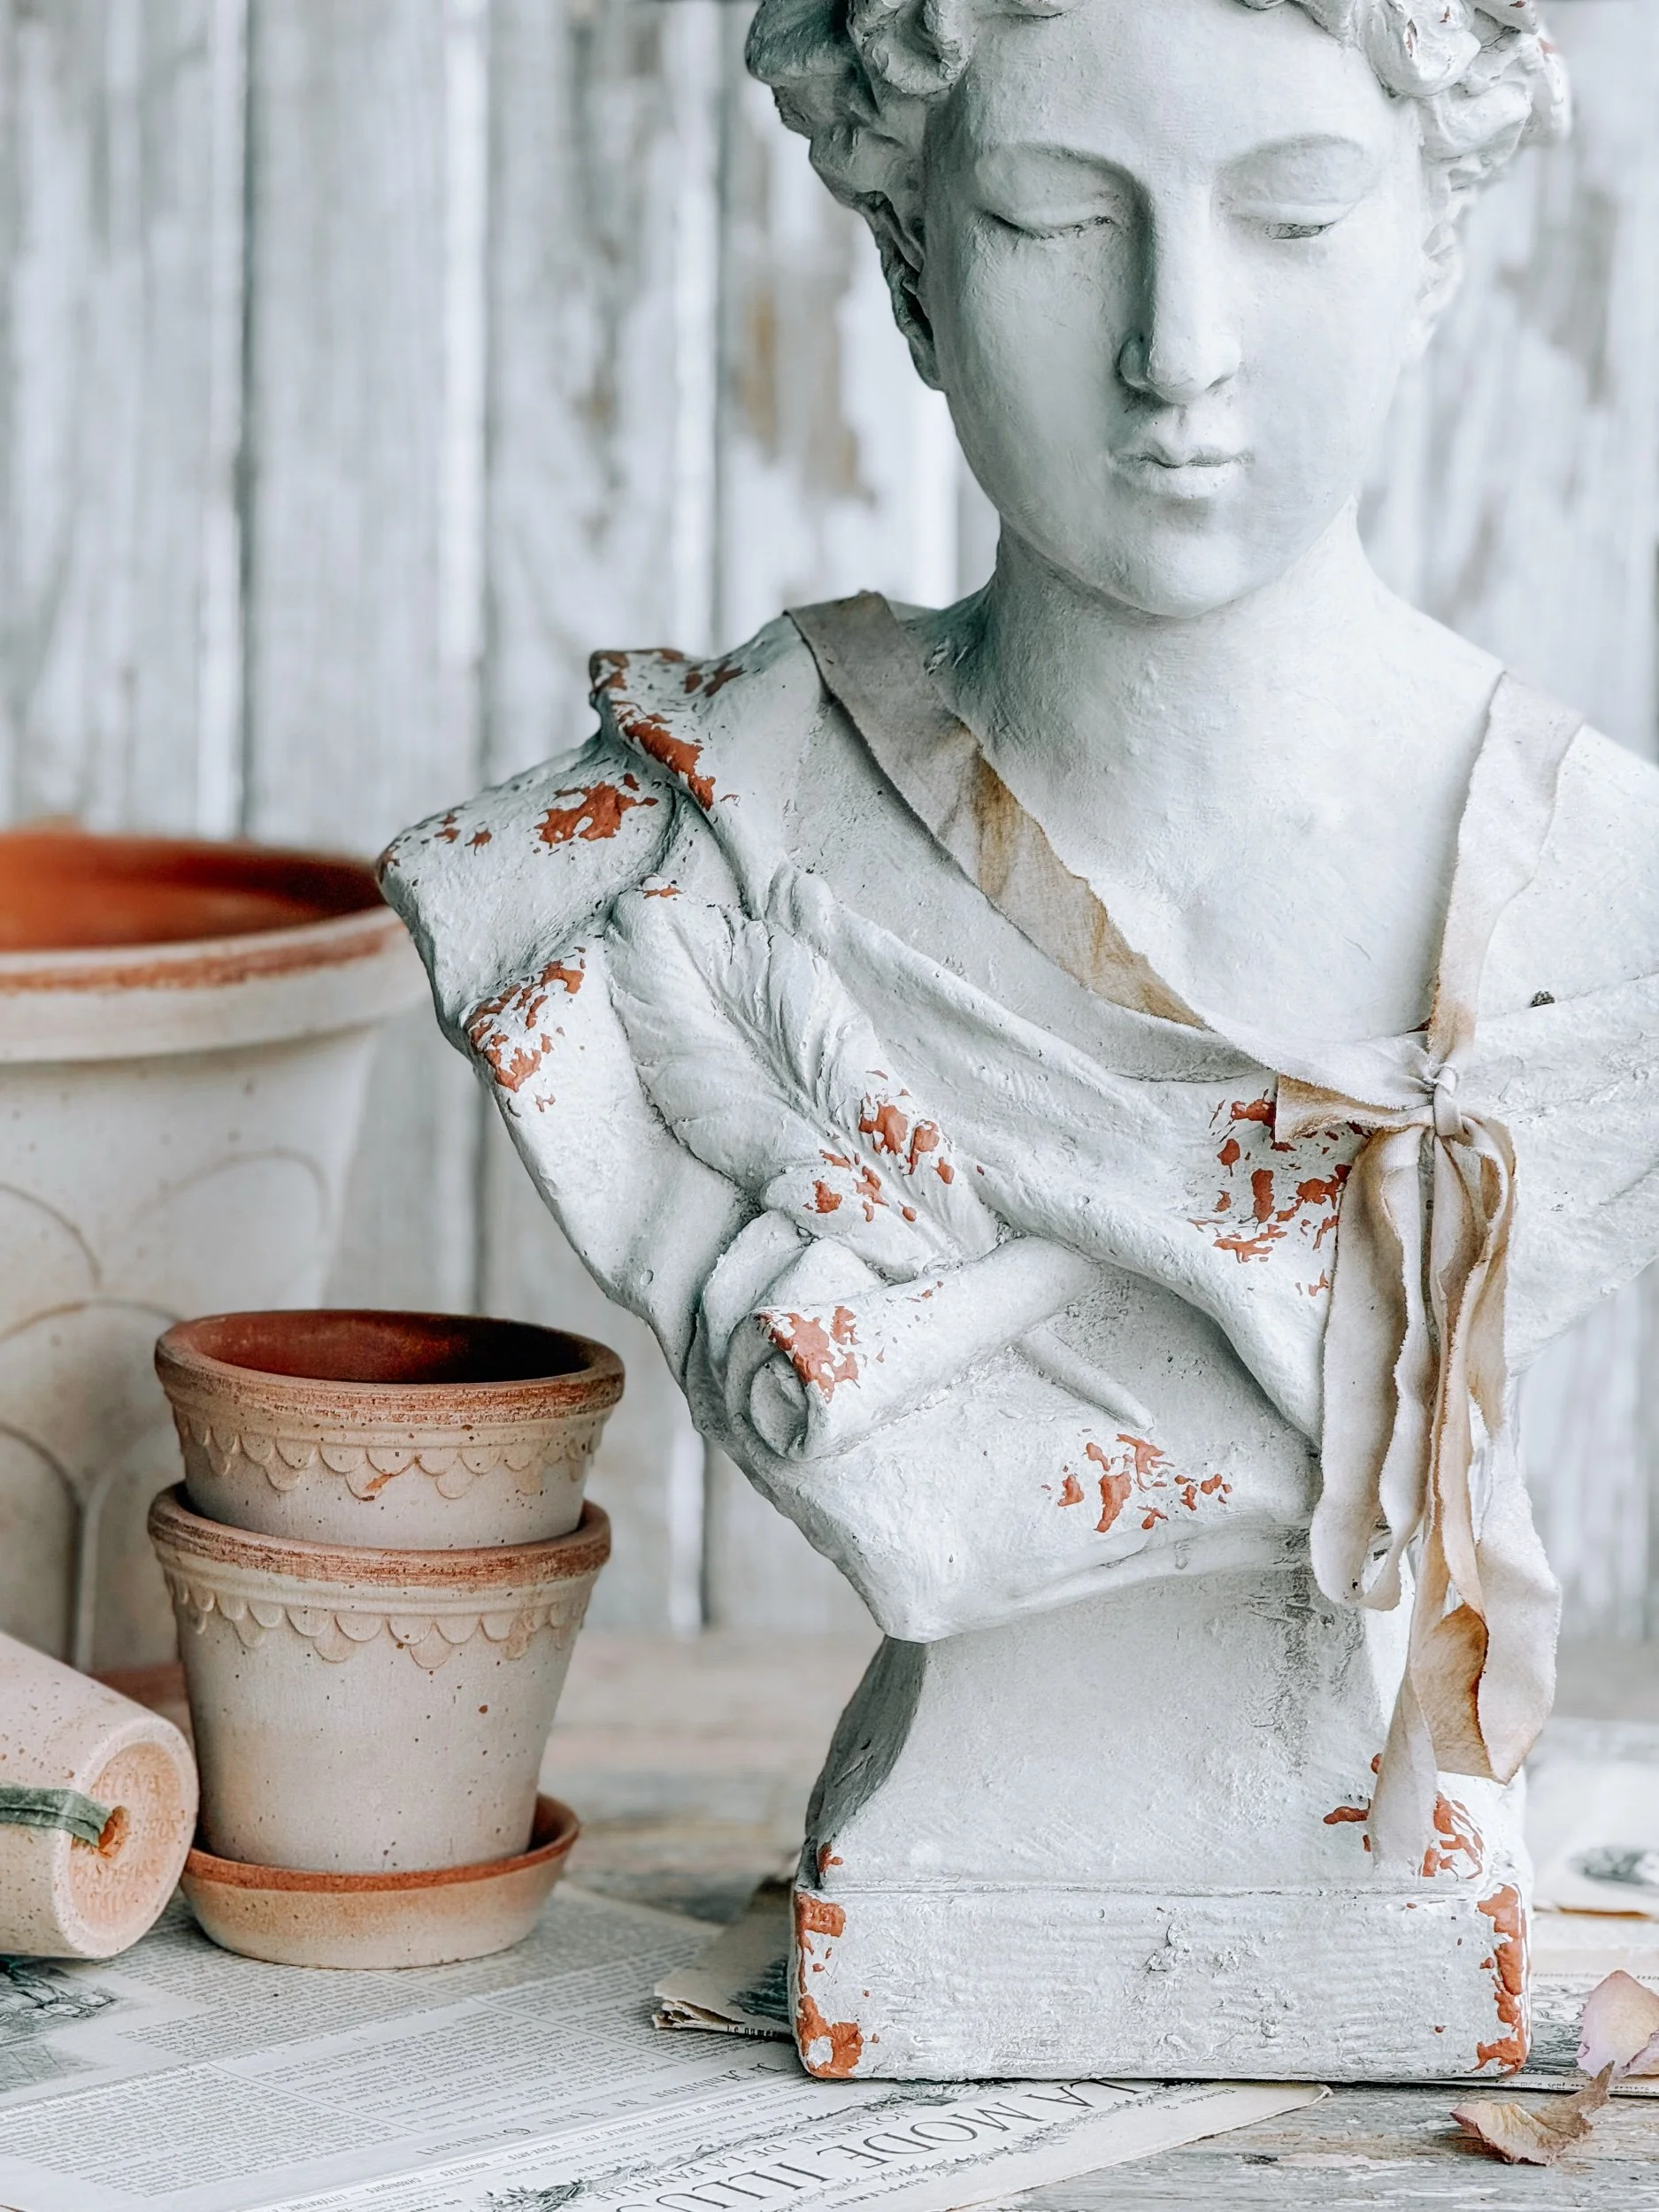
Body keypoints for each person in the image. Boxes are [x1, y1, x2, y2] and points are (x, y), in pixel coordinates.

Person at [383, 0, 1659, 2077]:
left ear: (1434, 240)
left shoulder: (1610, 918)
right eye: (1061, 222)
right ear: (911, 265)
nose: (1179, 351)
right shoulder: (661, 858)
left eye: (1292, 218)